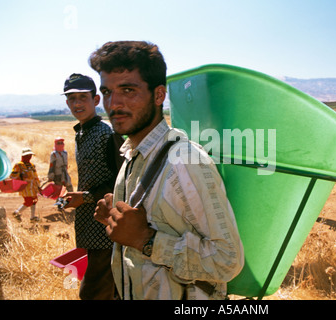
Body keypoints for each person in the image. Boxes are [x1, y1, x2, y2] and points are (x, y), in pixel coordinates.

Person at [91, 40, 244, 300]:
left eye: (128, 90)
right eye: (107, 92)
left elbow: (227, 260)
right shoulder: (132, 155)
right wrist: (115, 220)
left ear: (159, 95)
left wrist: (146, 239)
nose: (113, 103)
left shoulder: (184, 160)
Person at [61, 73, 124, 300]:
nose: (77, 104)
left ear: (96, 100)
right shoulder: (83, 132)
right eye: (71, 99)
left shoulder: (106, 134)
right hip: (90, 226)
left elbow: (122, 179)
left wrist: (85, 197)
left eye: (82, 98)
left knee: (92, 293)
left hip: (106, 229)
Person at [10, 148, 40, 222]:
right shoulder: (18, 165)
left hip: (33, 186)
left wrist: (38, 186)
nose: (29, 157)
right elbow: (12, 176)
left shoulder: (32, 165)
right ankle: (17, 212)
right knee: (28, 201)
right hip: (25, 187)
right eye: (27, 155)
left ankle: (32, 217)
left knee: (34, 200)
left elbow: (35, 176)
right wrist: (21, 177)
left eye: (30, 155)